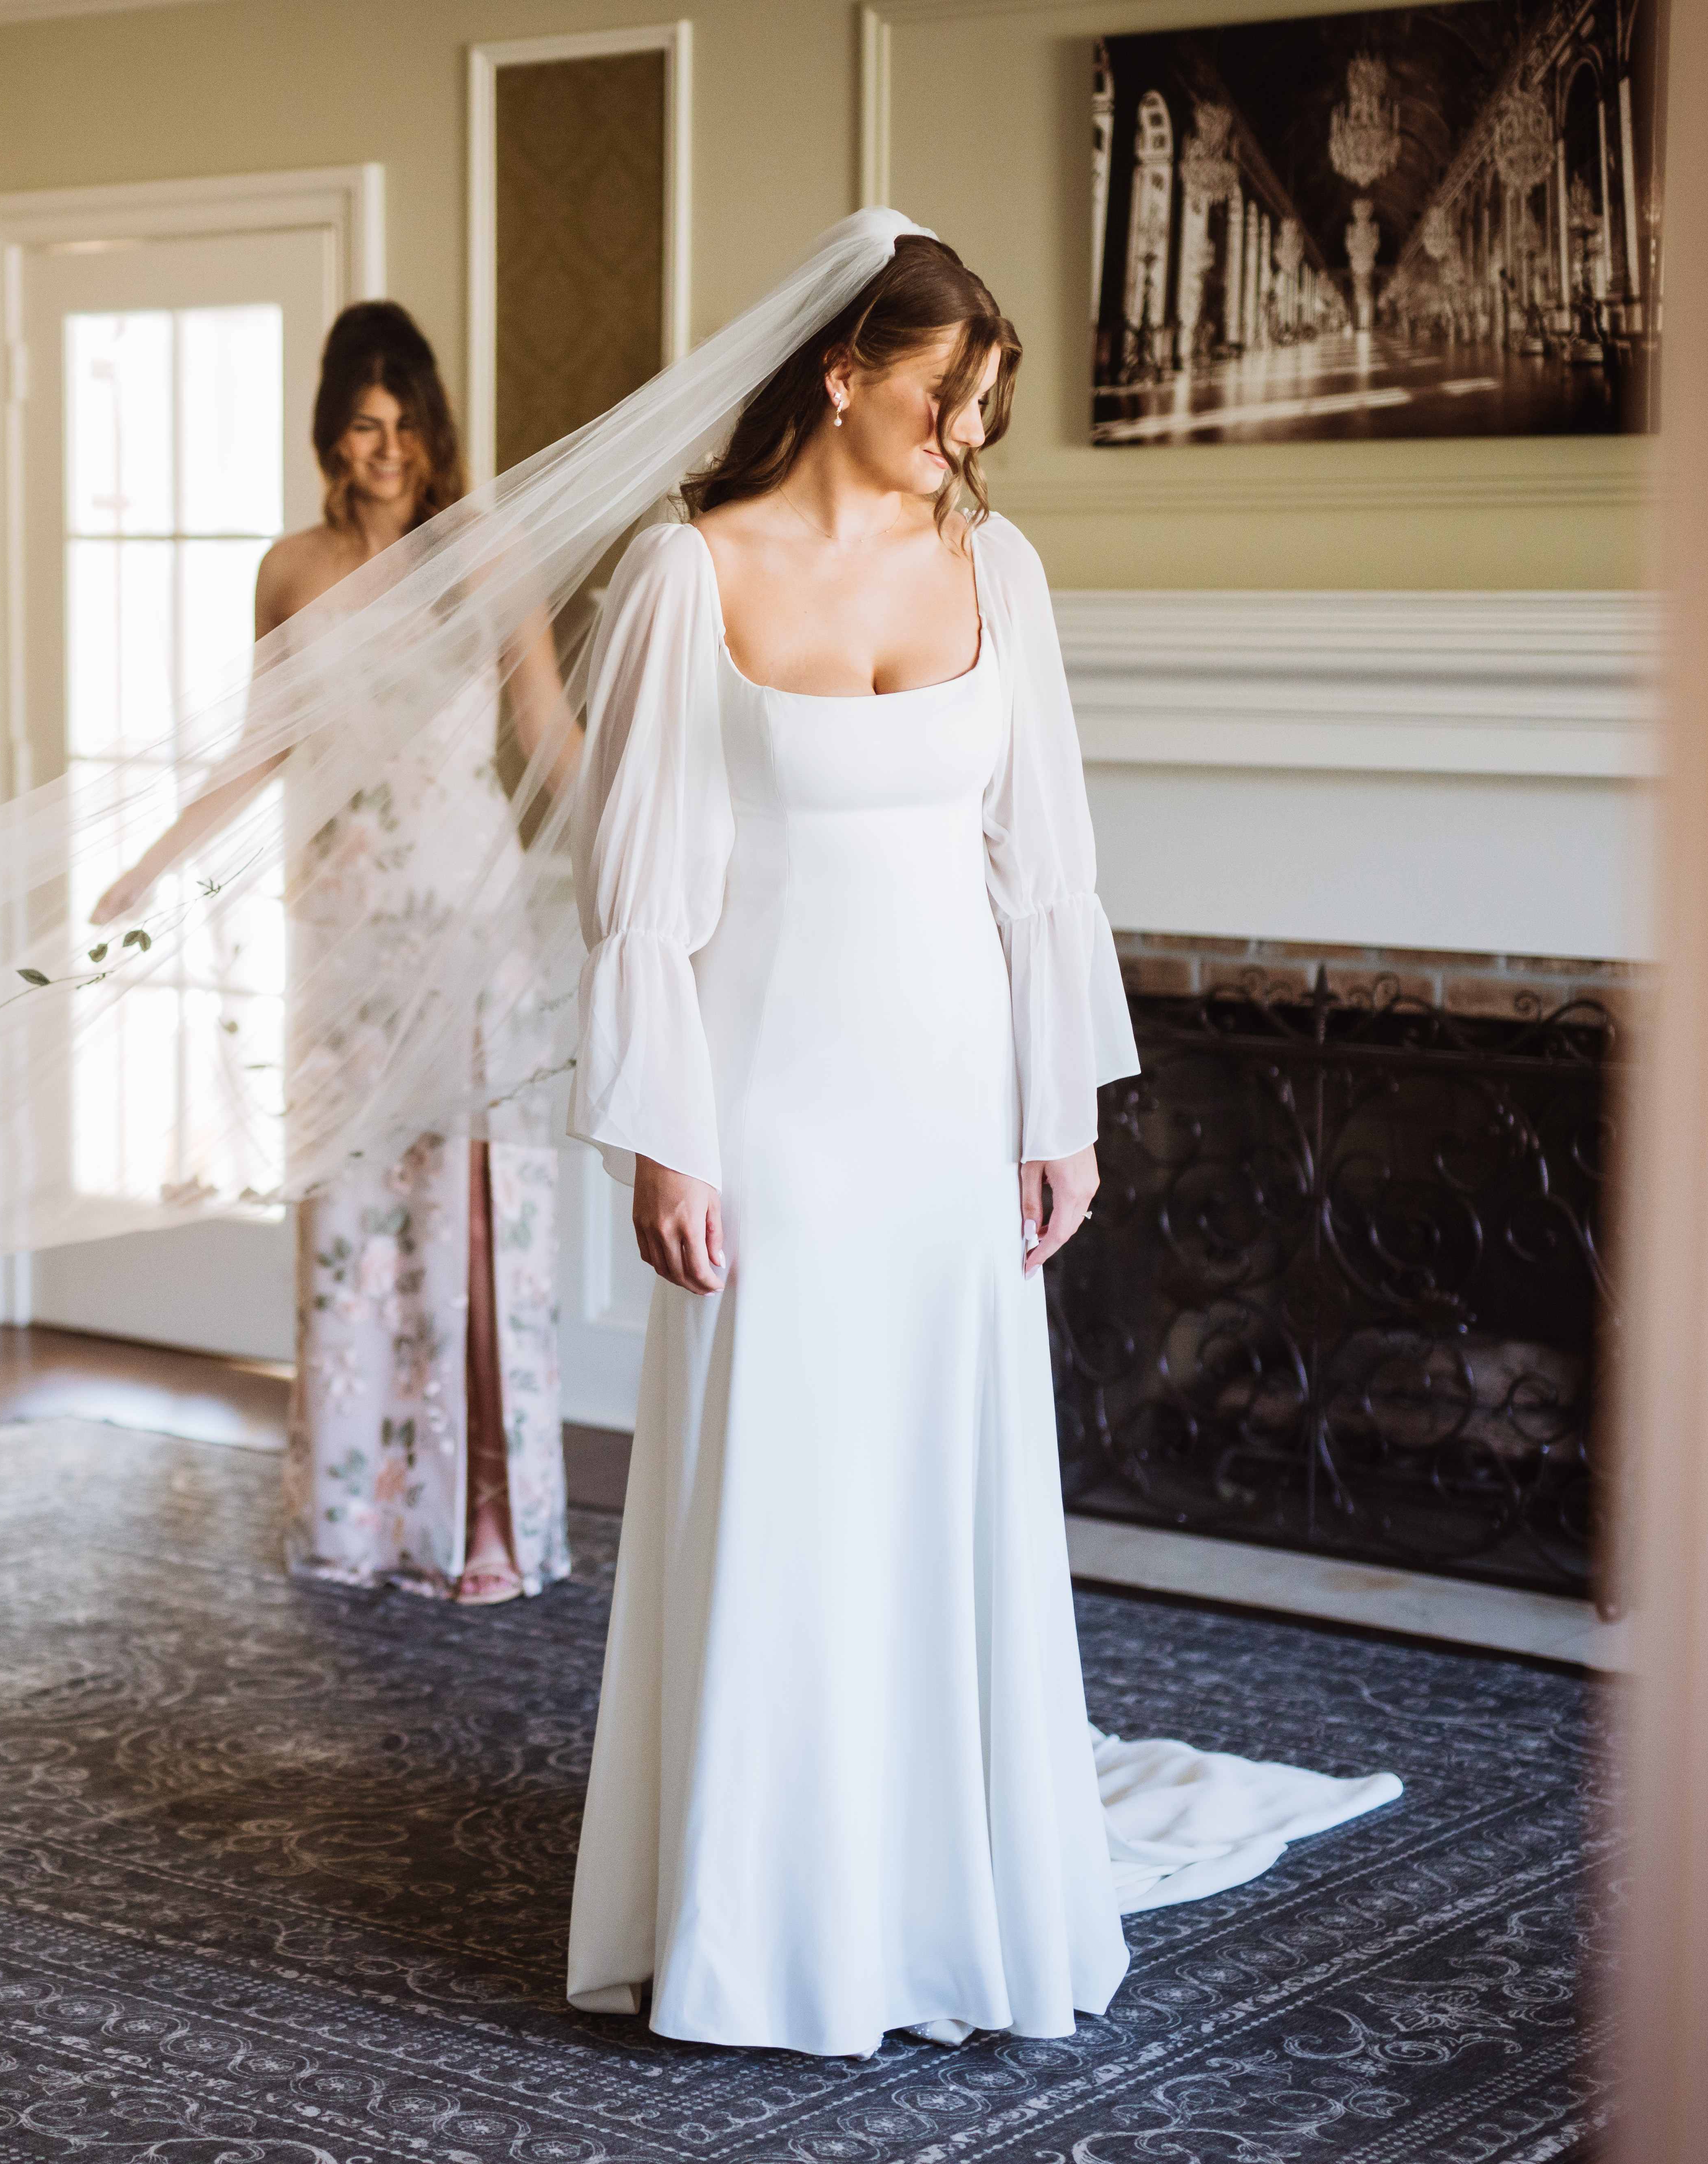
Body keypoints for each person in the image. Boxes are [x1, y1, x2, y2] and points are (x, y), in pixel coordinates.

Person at [561, 235, 1396, 2054]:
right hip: (769, 1108)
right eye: (938, 390)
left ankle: (939, 1897)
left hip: (947, 1110)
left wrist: (1056, 1110)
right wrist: (665, 1142)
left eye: (982, 400)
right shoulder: (683, 575)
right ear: (843, 370)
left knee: (935, 1495)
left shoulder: (990, 565)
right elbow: (632, 898)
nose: (963, 428)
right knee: (778, 1501)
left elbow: (1042, 860)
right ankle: (757, 1921)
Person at [92, 303, 583, 1603]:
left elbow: (543, 727)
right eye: (365, 426)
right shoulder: (291, 570)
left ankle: (481, 1523)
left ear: (435, 428)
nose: (388, 449)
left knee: (469, 1225)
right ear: (330, 434)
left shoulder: (480, 549)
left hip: (468, 930)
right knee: (354, 1232)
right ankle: (358, 1518)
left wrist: (639, 851)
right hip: (343, 944)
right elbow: (260, 748)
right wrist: (151, 861)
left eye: (407, 423)